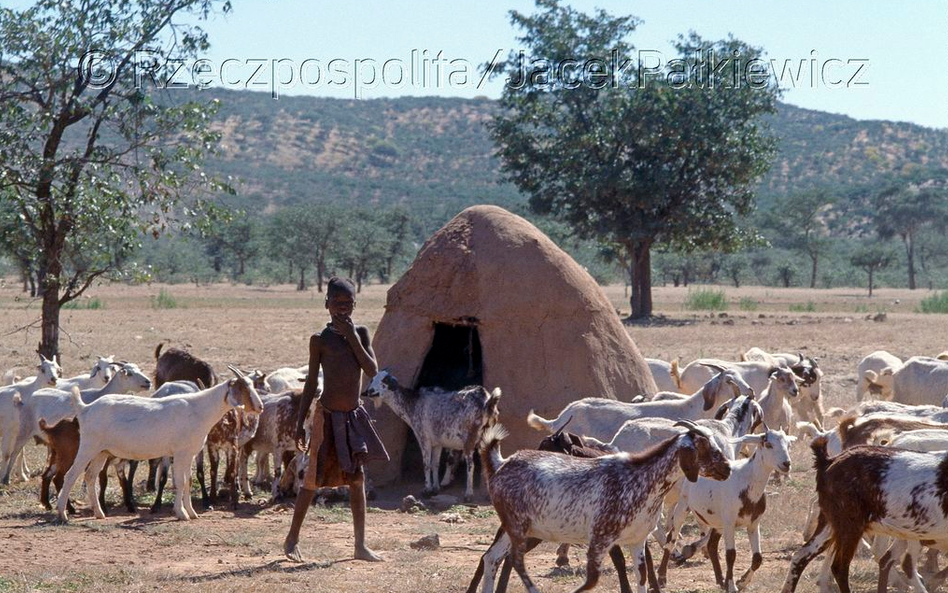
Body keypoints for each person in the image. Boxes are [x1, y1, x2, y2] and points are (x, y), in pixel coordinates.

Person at [283, 277, 389, 563]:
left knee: (357, 479)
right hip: (327, 418)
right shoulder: (320, 340)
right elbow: (309, 386)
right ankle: (291, 540)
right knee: (312, 479)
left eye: (348, 303)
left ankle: (360, 546)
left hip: (353, 416)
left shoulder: (362, 333)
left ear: (355, 304)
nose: (343, 309)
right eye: (337, 303)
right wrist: (299, 422)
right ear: (326, 304)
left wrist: (353, 337)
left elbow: (371, 369)